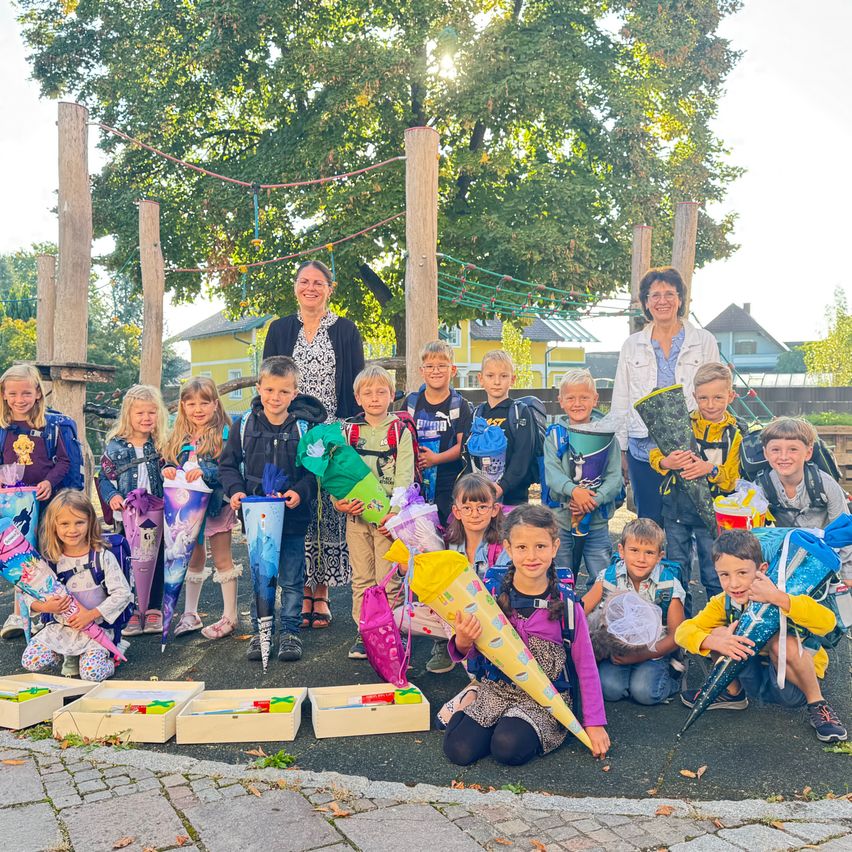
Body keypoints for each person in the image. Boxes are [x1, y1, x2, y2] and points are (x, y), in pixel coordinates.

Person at [443, 504, 609, 766]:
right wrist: (463, 641)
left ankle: (504, 725)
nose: (531, 556)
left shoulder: (567, 606)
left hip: (544, 699)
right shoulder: (491, 597)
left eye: (540, 546)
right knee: (458, 750)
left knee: (507, 748)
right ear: (508, 548)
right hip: (496, 690)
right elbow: (476, 649)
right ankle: (475, 700)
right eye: (521, 547)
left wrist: (594, 723)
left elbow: (585, 665)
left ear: (555, 547)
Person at [263, 260, 365, 629]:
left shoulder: (346, 330)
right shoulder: (279, 329)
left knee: (328, 512)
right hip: (290, 432)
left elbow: (355, 386)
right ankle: (299, 590)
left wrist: (350, 434)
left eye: (318, 282)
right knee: (296, 508)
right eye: (304, 282)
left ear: (330, 288)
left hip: (331, 433)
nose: (311, 288)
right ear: (295, 287)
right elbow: (268, 379)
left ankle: (320, 593)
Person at [676, 530, 847, 743]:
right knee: (718, 633)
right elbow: (682, 632)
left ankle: (818, 704)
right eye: (724, 575)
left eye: (742, 573)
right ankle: (732, 694)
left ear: (762, 570)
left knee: (781, 642)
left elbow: (827, 623)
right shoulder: (724, 601)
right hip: (753, 676)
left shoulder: (786, 591)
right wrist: (715, 640)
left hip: (793, 684)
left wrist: (781, 599)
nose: (734, 584)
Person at [220, 356, 326, 663]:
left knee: (292, 578)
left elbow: (313, 472)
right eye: (269, 390)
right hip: (256, 520)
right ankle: (261, 631)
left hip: (292, 518)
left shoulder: (305, 428)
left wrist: (299, 492)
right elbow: (228, 466)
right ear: (259, 388)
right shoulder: (243, 426)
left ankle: (290, 632)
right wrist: (236, 491)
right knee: (261, 577)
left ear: (294, 393)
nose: (275, 397)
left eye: (283, 392)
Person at [610, 267, 720, 525]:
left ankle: (691, 567)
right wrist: (622, 449)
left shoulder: (704, 341)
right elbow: (621, 398)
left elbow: (715, 389)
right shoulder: (632, 345)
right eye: (655, 295)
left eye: (669, 294)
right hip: (643, 449)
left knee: (695, 519)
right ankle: (654, 566)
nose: (663, 301)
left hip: (691, 446)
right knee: (650, 521)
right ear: (646, 303)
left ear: (680, 299)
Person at [339, 365, 415, 661]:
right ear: (358, 398)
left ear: (391, 395)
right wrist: (339, 502)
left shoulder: (399, 431)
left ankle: (389, 630)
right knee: (362, 579)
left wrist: (394, 513)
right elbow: (338, 473)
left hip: (387, 521)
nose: (374, 398)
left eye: (380, 392)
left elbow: (404, 475)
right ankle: (364, 633)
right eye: (367, 393)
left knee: (388, 579)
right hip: (356, 517)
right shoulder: (349, 432)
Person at [649, 362, 741, 599]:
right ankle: (679, 625)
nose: (710, 405)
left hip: (713, 514)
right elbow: (656, 453)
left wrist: (709, 469)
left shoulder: (735, 433)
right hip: (676, 509)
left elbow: (731, 479)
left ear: (730, 396)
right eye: (703, 398)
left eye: (718, 398)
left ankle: (718, 624)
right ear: (694, 396)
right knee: (676, 569)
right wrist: (666, 462)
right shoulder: (681, 423)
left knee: (714, 572)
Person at [22, 490, 132, 681]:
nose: (72, 530)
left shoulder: (102, 556)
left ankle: (111, 654)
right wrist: (45, 607)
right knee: (31, 661)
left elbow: (122, 593)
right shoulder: (49, 560)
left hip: (96, 627)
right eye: (64, 523)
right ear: (53, 525)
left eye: (79, 522)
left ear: (90, 522)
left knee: (91, 674)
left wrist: (91, 615)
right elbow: (29, 596)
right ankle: (69, 654)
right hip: (61, 629)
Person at [163, 377, 242, 640]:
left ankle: (230, 615)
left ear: (215, 405)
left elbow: (228, 468)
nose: (198, 409)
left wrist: (205, 471)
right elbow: (168, 462)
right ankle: (190, 613)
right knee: (192, 558)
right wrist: (169, 469)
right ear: (182, 406)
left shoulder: (225, 434)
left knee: (221, 559)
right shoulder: (178, 436)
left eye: (204, 403)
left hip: (216, 507)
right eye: (191, 403)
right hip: (188, 509)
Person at [0, 365, 72, 640]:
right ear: (4, 395)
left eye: (26, 392)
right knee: (17, 555)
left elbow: (64, 461)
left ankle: (46, 612)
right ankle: (19, 611)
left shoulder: (52, 426)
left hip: (45, 501)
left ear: (38, 393)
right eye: (13, 393)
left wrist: (49, 483)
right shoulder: (3, 429)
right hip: (12, 505)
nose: (20, 399)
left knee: (45, 553)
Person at [583, 519, 685, 705]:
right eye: (634, 550)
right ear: (621, 551)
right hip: (617, 650)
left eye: (649, 552)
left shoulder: (668, 585)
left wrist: (640, 656)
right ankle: (630, 679)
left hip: (652, 652)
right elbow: (581, 610)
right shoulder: (609, 577)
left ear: (660, 556)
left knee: (645, 693)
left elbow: (677, 635)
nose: (641, 559)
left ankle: (672, 678)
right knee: (609, 690)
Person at [98, 385, 168, 638]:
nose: (146, 418)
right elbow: (104, 478)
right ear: (128, 414)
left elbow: (171, 470)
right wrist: (113, 496)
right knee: (127, 561)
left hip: (155, 516)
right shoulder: (115, 448)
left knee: (157, 560)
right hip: (127, 517)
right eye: (140, 413)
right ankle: (130, 609)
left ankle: (153, 608)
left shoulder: (161, 445)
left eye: (151, 413)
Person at [544, 369, 621, 584]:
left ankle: (597, 617)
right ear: (561, 401)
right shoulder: (555, 436)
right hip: (561, 521)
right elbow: (552, 474)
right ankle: (563, 616)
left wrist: (592, 500)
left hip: (596, 522)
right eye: (571, 398)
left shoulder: (606, 436)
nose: (577, 403)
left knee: (602, 578)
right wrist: (575, 491)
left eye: (584, 397)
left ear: (595, 399)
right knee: (560, 578)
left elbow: (615, 478)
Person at [756, 418, 852, 580]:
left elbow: (845, 531)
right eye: (776, 450)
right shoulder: (761, 486)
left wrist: (846, 573)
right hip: (787, 555)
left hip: (826, 555)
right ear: (766, 453)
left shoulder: (826, 485)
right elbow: (755, 530)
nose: (784, 456)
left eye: (793, 449)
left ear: (808, 453)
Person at [405, 340, 472, 524]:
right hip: (415, 487)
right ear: (421, 370)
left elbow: (463, 446)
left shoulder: (460, 405)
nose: (436, 371)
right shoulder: (411, 403)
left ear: (453, 370)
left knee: (448, 538)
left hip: (448, 486)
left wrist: (436, 459)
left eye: (442, 365)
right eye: (430, 366)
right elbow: (401, 440)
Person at [468, 350, 537, 507]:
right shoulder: (476, 414)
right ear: (481, 379)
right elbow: (468, 456)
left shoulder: (520, 412)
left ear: (512, 379)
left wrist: (502, 486)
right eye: (490, 376)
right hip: (481, 498)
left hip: (514, 498)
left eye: (503, 376)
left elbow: (523, 455)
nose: (497, 381)